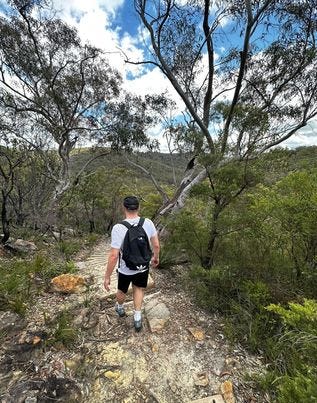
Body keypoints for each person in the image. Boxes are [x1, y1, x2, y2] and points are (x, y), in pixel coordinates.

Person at [104, 195, 160, 331]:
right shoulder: (148, 222)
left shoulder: (118, 228)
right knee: (139, 288)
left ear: (124, 208)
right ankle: (137, 317)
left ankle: (120, 307)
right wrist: (155, 257)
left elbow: (113, 256)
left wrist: (107, 276)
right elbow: (156, 245)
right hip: (142, 266)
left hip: (125, 268)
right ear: (138, 207)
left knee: (122, 290)